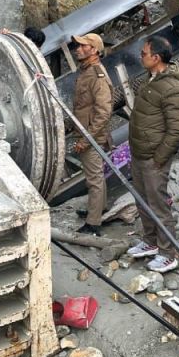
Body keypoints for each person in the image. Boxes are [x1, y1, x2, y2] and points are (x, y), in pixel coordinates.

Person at [125, 36, 179, 273]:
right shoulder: (150, 79)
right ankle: (150, 241)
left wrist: (158, 158)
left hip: (153, 158)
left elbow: (176, 130)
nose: (140, 57)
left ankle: (167, 253)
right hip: (140, 153)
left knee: (158, 205)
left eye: (144, 54)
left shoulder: (172, 88)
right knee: (142, 201)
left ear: (156, 58)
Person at [71, 32, 113, 235]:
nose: (78, 49)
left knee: (94, 178)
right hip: (87, 132)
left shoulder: (97, 75)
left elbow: (103, 112)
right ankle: (98, 209)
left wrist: (86, 139)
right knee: (97, 175)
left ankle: (93, 223)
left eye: (83, 46)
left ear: (95, 50)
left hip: (91, 135)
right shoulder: (87, 71)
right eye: (77, 46)